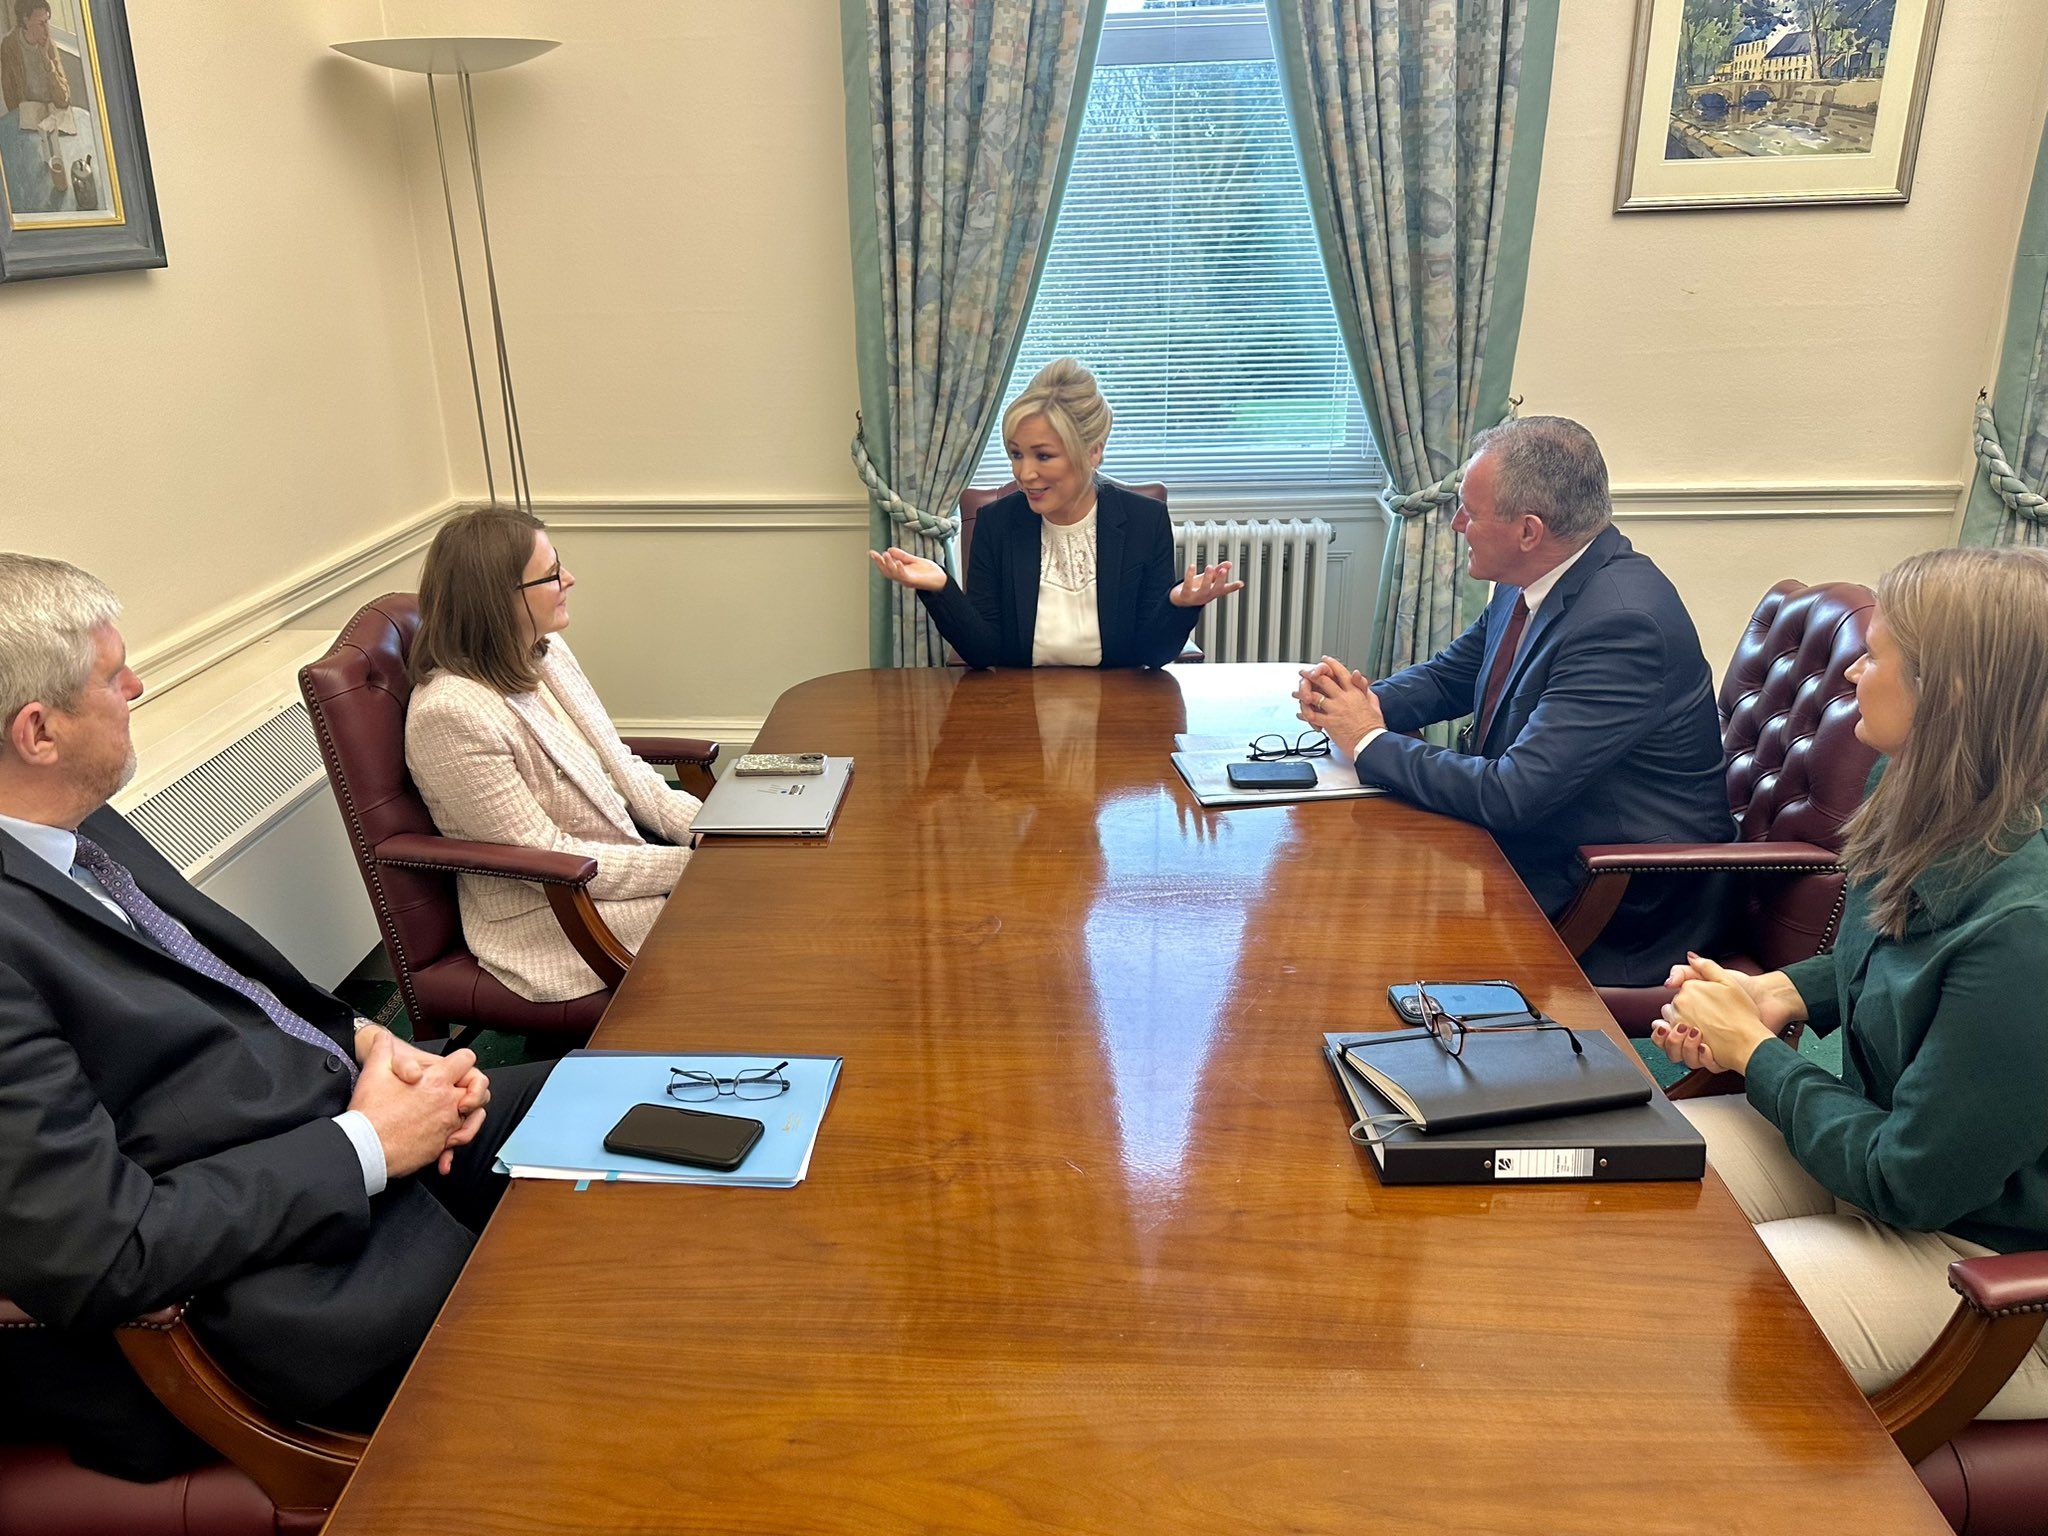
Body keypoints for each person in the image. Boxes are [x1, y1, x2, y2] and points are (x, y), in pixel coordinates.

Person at [0, 553, 550, 1483]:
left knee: (628, 1105)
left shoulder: (78, 821)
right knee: (607, 1321)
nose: (138, 687)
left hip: (348, 1133)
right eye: (113, 675)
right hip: (276, 1300)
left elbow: (229, 986)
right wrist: (369, 1144)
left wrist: (372, 1044)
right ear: (38, 731)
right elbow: (103, 1252)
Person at [1654, 545, 2048, 1418]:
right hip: (1892, 1167)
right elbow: (1902, 952)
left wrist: (1755, 1053)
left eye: (1874, 657)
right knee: (1632, 1181)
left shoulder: (2030, 925)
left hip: (1995, 1266)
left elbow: (1912, 1182)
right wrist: (1780, 995)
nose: (1853, 676)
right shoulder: (1922, 789)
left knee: (1683, 1314)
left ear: (1949, 692)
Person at [1293, 416, 1731, 985]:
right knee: (1334, 879)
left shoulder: (1623, 623)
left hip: (1613, 900)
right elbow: (1450, 678)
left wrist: (1367, 739)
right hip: (1537, 848)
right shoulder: (1529, 580)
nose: (1456, 524)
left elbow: (1511, 794)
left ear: (1529, 531)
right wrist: (1351, 702)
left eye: (1469, 513)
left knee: (1350, 924)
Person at [406, 506, 702, 1003]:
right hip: (562, 912)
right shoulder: (450, 714)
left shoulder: (545, 649)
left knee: (775, 874)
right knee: (757, 916)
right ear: (498, 599)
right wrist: (690, 867)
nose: (570, 579)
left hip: (622, 855)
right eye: (550, 575)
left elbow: (620, 766)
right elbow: (544, 853)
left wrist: (709, 832)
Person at [869, 358, 1243, 669]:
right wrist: (940, 587)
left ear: (1093, 451)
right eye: (1016, 453)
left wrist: (1179, 605)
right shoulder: (997, 524)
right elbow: (983, 652)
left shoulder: (1144, 521)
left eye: (1043, 456)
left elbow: (1151, 655)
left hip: (1117, 712)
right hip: (1020, 710)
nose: (1024, 473)